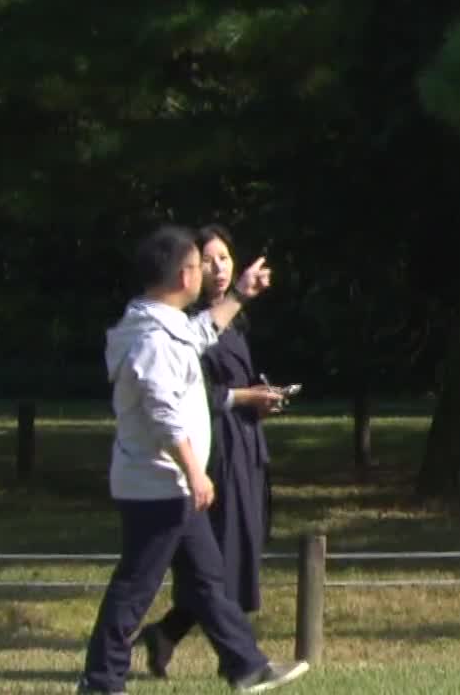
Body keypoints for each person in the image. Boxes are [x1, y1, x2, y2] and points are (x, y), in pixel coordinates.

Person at [77, 225, 309, 695]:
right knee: (134, 588)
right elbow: (163, 413)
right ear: (185, 276)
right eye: (199, 266)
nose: (207, 274)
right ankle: (100, 683)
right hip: (159, 486)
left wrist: (241, 295)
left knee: (208, 581)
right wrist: (194, 471)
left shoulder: (166, 325)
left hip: (172, 485)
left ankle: (245, 666)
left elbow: (204, 330)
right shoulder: (152, 339)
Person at [138, 224, 284, 679]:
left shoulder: (236, 320)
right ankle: (234, 658)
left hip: (245, 443)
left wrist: (262, 400)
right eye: (207, 261)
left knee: (238, 546)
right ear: (190, 271)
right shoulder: (192, 324)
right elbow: (195, 393)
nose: (217, 268)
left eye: (224, 258)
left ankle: (167, 634)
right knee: (219, 553)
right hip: (213, 446)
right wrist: (244, 398)